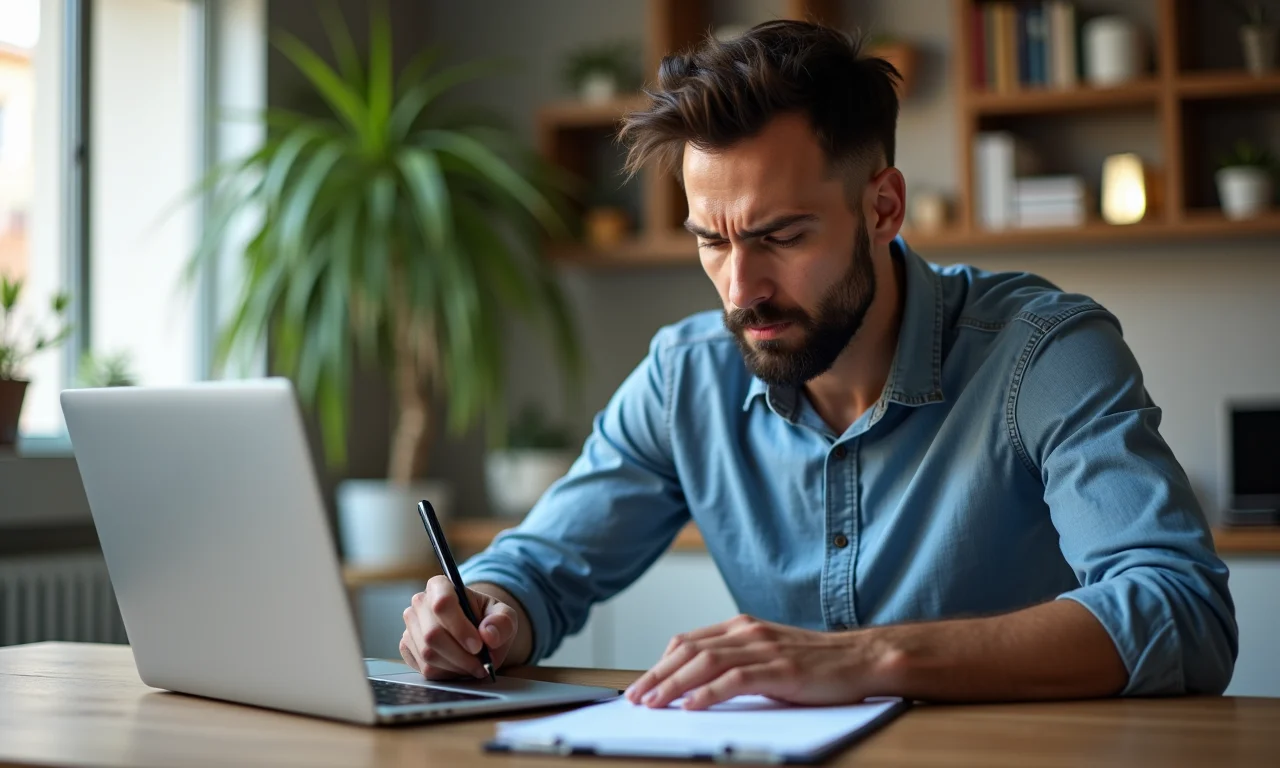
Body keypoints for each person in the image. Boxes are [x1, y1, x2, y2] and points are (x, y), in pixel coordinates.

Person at [399, 20, 1236, 708]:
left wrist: (867, 658)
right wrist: (483, 612)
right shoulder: (685, 377)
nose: (741, 290)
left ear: (883, 208)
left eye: (782, 236)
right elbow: (539, 567)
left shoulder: (1040, 351)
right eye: (711, 241)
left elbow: (1183, 609)